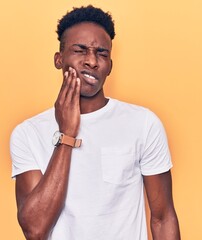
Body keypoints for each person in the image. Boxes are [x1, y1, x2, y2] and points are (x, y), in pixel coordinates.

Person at [10, 5, 180, 240]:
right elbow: (35, 229)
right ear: (59, 60)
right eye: (80, 50)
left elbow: (162, 218)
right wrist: (67, 134)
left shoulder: (143, 124)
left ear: (110, 66)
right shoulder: (27, 134)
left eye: (101, 53)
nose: (92, 61)